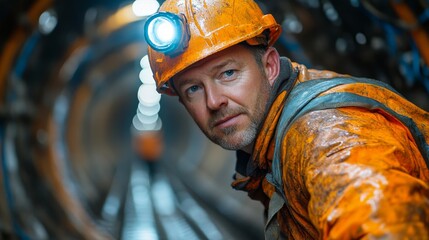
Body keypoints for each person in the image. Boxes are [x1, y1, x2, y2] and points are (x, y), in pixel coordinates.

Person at [144, 0, 429, 238]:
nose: (213, 101)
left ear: (268, 66)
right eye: (193, 88)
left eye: (228, 73)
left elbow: (381, 221)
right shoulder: (273, 145)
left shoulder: (325, 134)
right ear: (181, 101)